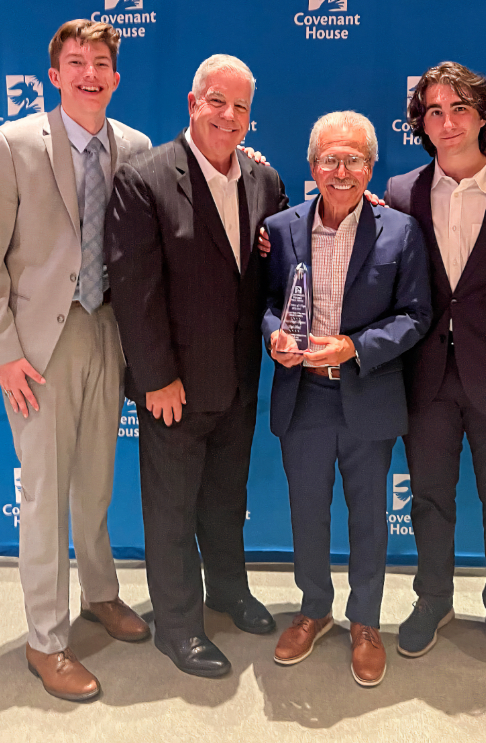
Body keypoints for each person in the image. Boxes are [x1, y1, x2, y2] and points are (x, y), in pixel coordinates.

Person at [0, 19, 150, 702]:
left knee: (96, 482)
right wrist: (4, 355)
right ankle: (44, 641)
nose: (88, 73)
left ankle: (100, 593)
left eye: (100, 62)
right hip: (39, 348)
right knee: (45, 497)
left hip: (108, 331)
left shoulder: (133, 146)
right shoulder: (13, 142)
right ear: (55, 74)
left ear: (114, 75)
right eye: (75, 62)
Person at [106, 54, 288, 679]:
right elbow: (134, 290)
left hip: (238, 381)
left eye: (240, 107)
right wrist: (155, 377)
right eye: (218, 101)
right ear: (193, 103)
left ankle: (228, 593)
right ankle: (177, 626)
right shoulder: (144, 178)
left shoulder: (264, 182)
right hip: (173, 387)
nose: (229, 116)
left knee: (224, 498)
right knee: (172, 509)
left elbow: (281, 264)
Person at [383, 62, 486, 676]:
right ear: (421, 123)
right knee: (429, 499)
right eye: (433, 111)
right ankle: (433, 600)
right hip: (424, 373)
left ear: (483, 116)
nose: (447, 121)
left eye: (459, 109)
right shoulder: (402, 192)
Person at [262, 111, 430, 688]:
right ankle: (313, 609)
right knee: (308, 512)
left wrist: (354, 347)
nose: (341, 170)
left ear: (371, 166)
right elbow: (265, 304)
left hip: (367, 395)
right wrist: (274, 336)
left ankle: (365, 621)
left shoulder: (400, 230)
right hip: (302, 396)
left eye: (353, 159)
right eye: (330, 159)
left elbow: (416, 316)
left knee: (368, 520)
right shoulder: (280, 228)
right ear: (312, 167)